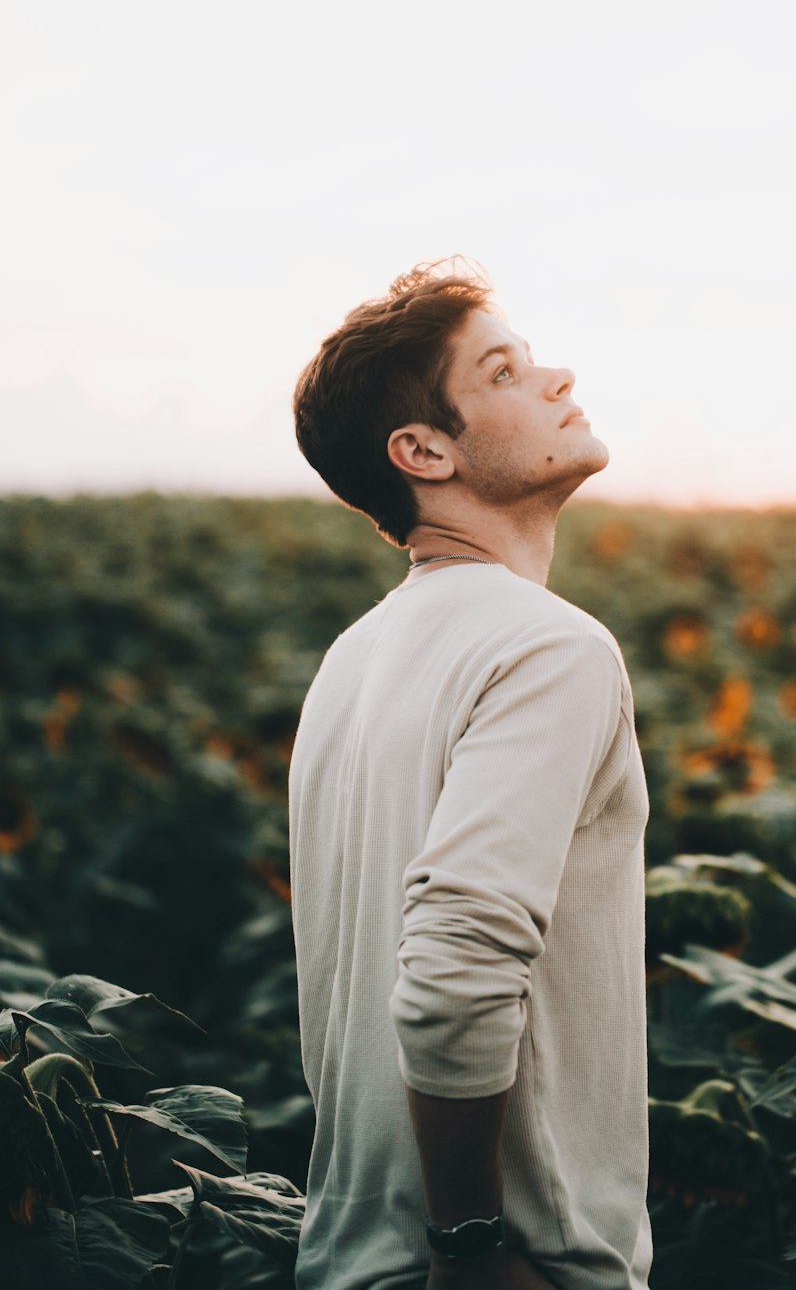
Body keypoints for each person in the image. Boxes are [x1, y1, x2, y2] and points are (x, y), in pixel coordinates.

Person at [288, 259, 651, 1290]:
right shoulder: (548, 648)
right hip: (512, 1265)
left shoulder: (355, 658)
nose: (556, 379)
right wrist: (470, 1246)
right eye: (503, 372)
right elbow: (454, 969)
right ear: (422, 450)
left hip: (350, 1259)